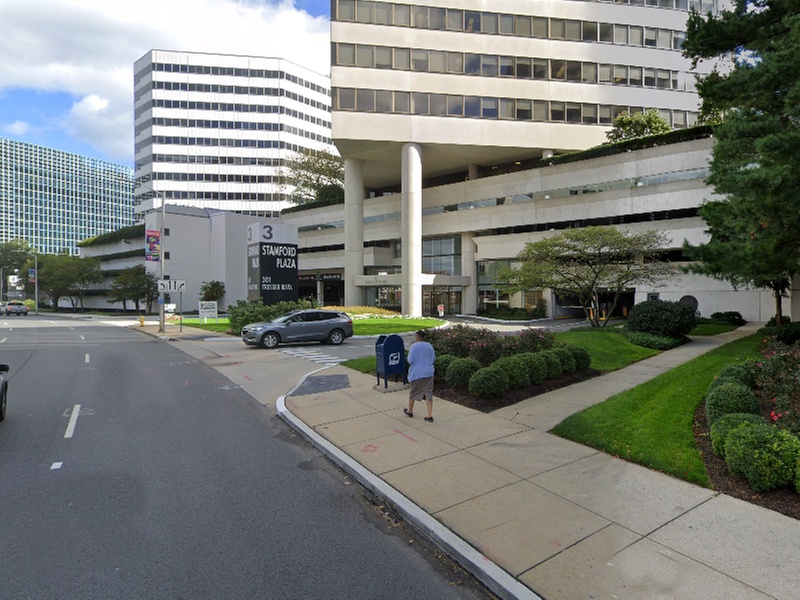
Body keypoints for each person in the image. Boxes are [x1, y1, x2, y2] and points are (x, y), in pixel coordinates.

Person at [404, 329, 436, 422]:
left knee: (413, 392)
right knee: (428, 393)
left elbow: (410, 360)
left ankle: (410, 411)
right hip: (428, 373)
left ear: (417, 337)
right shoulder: (429, 346)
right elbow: (433, 359)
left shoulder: (414, 346)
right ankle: (429, 415)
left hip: (417, 373)